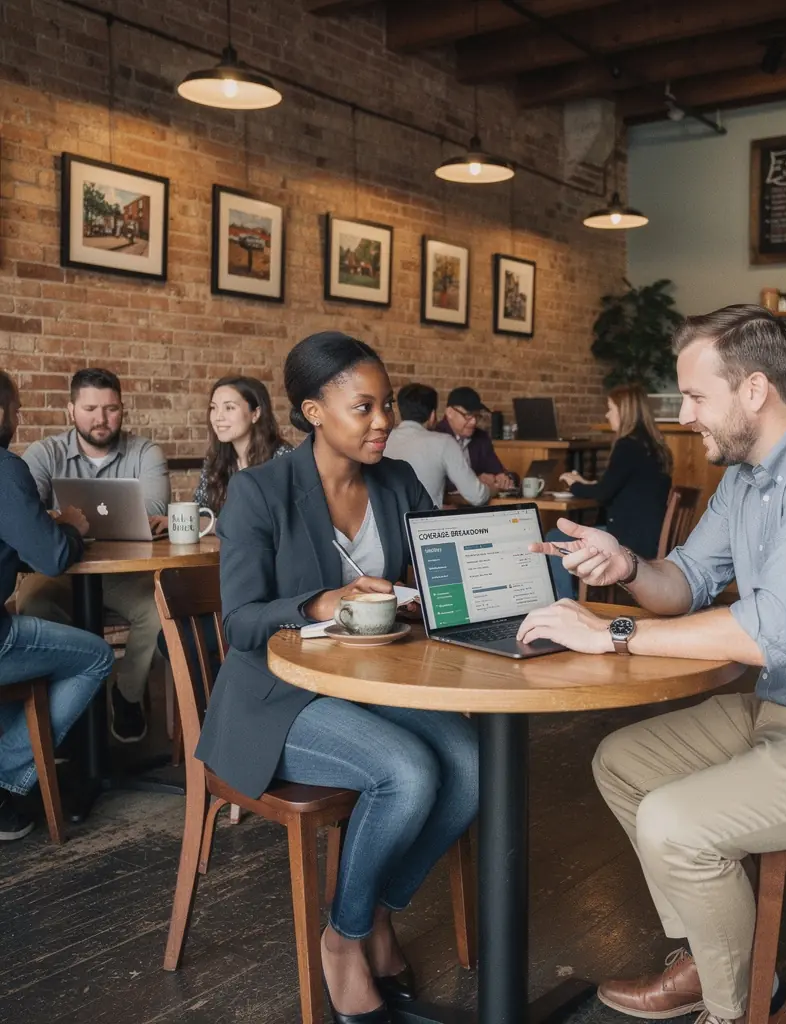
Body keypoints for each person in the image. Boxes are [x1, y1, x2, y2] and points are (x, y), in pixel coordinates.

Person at [518, 305, 786, 1024]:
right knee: (623, 763)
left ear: (754, 390)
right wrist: (626, 564)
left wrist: (614, 635)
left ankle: (750, 1008)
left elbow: (769, 633)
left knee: (673, 823)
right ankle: (713, 960)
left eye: (695, 395)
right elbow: (683, 581)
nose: (684, 414)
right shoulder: (746, 478)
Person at [195, 332, 479, 1023]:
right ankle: (344, 942)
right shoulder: (260, 493)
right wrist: (320, 603)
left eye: (386, 405)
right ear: (314, 411)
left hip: (372, 684)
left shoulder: (397, 482)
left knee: (472, 766)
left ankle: (373, 909)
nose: (383, 422)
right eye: (364, 407)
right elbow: (243, 622)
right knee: (407, 771)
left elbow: (438, 573)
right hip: (275, 697)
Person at [16, 368, 169, 744]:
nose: (100, 419)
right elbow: (27, 514)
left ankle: (127, 694)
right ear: (71, 410)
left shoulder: (145, 451)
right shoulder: (43, 453)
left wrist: (66, 520)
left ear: (122, 409)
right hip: (60, 570)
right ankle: (67, 708)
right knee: (32, 603)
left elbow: (151, 510)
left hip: (124, 574)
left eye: (111, 408)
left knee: (158, 609)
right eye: (90, 408)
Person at [0, 371, 114, 840]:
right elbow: (52, 557)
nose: (19, 417)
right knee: (97, 655)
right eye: (14, 408)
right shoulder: (6, 467)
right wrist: (69, 525)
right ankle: (10, 777)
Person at [547, 384, 672, 599]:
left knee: (554, 536)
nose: (607, 415)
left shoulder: (627, 445)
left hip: (629, 538)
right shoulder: (654, 445)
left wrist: (573, 484)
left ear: (624, 412)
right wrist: (586, 482)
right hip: (649, 534)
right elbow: (620, 486)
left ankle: (567, 600)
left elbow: (603, 493)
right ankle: (577, 594)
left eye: (610, 409)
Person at [194, 375, 293, 513]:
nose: (218, 417)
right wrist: (176, 521)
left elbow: (287, 520)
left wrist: (218, 526)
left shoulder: (283, 458)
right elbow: (202, 511)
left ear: (255, 414)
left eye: (229, 408)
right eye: (213, 408)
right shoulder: (215, 459)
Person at [385, 383, 490, 508]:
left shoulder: (384, 439)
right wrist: (491, 489)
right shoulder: (444, 442)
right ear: (432, 415)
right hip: (425, 524)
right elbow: (477, 496)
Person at [435, 386, 515, 491]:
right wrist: (474, 481)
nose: (473, 422)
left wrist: (503, 478)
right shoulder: (435, 437)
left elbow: (498, 470)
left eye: (477, 416)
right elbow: (434, 482)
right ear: (450, 413)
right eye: (468, 415)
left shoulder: (481, 438)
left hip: (479, 504)